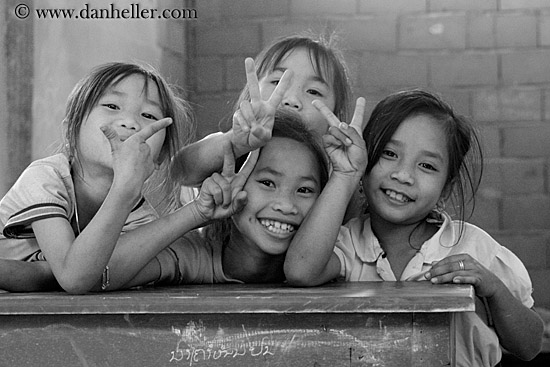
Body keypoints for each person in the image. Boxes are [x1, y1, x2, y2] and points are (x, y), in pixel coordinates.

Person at [284, 89, 544, 366]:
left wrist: (493, 289)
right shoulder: (349, 244)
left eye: (427, 166)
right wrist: (345, 174)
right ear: (366, 164)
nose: (403, 175)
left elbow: (529, 346)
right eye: (389, 153)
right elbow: (300, 271)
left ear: (446, 189)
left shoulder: (473, 247)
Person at [0, 62, 194, 293]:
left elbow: (85, 276)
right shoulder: (45, 177)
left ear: (159, 156)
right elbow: (74, 276)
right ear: (70, 130)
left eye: (149, 115)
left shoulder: (141, 220)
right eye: (112, 105)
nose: (130, 123)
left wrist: (45, 274)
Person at [102, 111, 330, 287]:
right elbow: (101, 274)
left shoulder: (331, 260)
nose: (286, 205)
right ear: (231, 182)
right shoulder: (196, 256)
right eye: (267, 183)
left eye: (305, 190)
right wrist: (195, 213)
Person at [172, 33, 363, 221]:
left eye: (313, 91)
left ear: (335, 115)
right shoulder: (227, 151)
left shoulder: (336, 173)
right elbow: (180, 171)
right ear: (251, 92)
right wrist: (236, 143)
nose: (292, 100)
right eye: (277, 82)